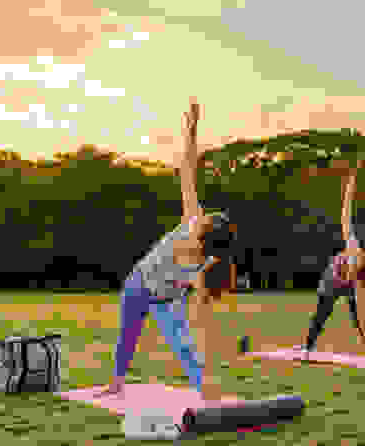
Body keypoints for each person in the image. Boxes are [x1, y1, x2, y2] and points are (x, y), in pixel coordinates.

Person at [95, 99, 238, 401]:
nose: (205, 215)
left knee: (183, 344)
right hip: (139, 281)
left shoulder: (207, 260)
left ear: (205, 235)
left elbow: (200, 321)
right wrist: (192, 130)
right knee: (128, 335)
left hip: (167, 297)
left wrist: (207, 375)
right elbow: (188, 169)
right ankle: (116, 384)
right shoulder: (193, 217)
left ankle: (203, 390)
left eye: (208, 219)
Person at [298, 164, 365, 360]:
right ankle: (308, 347)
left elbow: (361, 315)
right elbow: (345, 215)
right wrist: (351, 183)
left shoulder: (360, 282)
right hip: (331, 278)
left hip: (346, 282)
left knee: (360, 315)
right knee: (322, 312)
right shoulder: (353, 247)